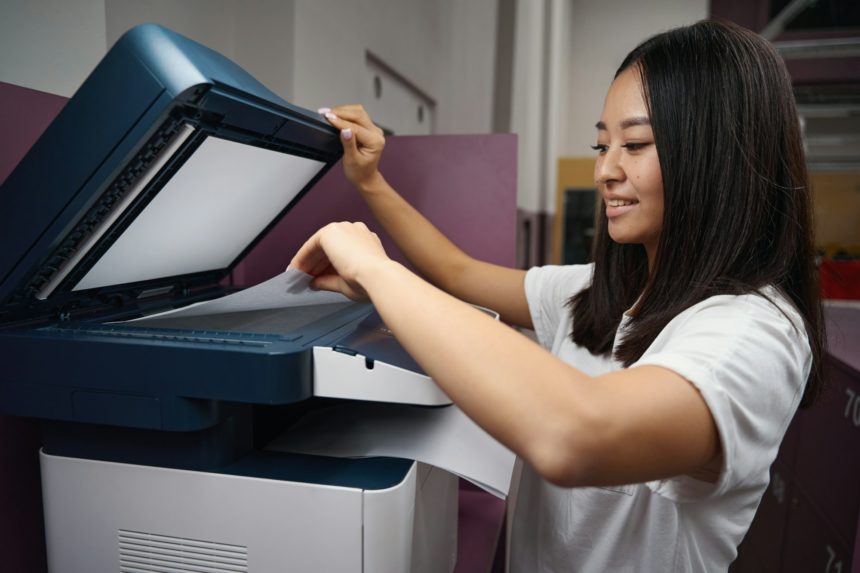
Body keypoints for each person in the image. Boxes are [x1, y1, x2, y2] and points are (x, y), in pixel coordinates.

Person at [288, 20, 825, 572]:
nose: (603, 171)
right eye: (601, 144)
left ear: (718, 158)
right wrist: (370, 182)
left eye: (634, 145)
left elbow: (578, 433)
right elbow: (458, 272)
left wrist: (379, 273)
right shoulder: (599, 291)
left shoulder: (755, 333)